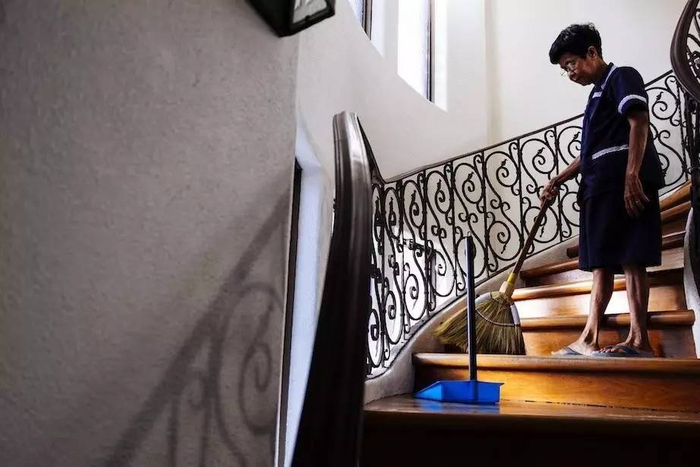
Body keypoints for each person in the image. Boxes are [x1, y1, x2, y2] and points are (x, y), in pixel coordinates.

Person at [541, 23, 665, 357]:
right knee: (600, 263)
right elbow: (588, 153)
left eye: (571, 64)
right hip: (599, 188)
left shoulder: (622, 76)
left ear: (592, 52)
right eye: (565, 69)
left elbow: (639, 122)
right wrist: (557, 179)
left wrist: (632, 175)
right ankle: (589, 338)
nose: (570, 73)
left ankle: (639, 340)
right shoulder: (595, 97)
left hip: (626, 185)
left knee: (632, 257)